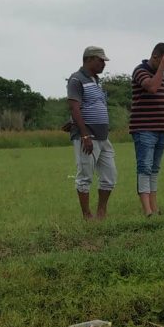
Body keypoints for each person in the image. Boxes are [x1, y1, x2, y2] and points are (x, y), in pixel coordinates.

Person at [66, 46, 117, 220]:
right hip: (88, 136)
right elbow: (74, 106)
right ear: (89, 60)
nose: (103, 64)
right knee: (85, 176)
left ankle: (101, 211)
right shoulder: (76, 79)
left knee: (110, 176)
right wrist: (84, 134)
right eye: (100, 60)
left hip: (103, 137)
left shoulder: (96, 80)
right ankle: (87, 215)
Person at [130, 42, 164, 216]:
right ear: (156, 56)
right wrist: (161, 70)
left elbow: (161, 102)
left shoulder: (160, 74)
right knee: (144, 167)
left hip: (160, 129)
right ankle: (147, 210)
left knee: (155, 169)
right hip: (144, 129)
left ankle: (154, 207)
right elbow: (151, 87)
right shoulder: (140, 70)